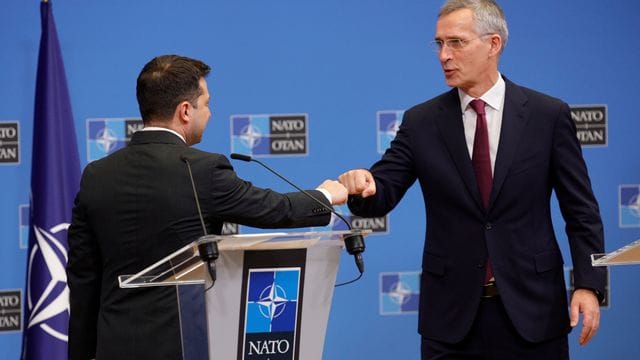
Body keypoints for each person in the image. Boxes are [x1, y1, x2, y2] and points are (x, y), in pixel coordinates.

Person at [338, 1, 605, 358]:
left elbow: (581, 210)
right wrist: (363, 186)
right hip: (450, 319)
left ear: (493, 44)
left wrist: (589, 284)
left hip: (533, 313)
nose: (444, 55)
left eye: (456, 42)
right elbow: (382, 190)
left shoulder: (547, 115)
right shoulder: (422, 122)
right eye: (439, 44)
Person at [66, 54, 347, 360]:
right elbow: (275, 209)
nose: (211, 113)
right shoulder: (203, 170)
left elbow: (83, 277)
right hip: (186, 347)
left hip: (114, 346)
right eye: (207, 103)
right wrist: (326, 195)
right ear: (185, 111)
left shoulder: (96, 175)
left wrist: (80, 353)